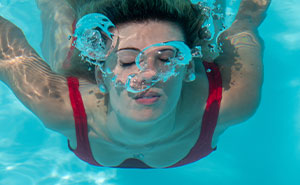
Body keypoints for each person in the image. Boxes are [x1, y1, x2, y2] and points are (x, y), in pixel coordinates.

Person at [0, 0, 270, 168]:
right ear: (100, 75)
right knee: (59, 21)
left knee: (206, 28)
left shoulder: (232, 99)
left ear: (188, 66)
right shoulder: (59, 104)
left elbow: (245, 24)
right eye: (127, 61)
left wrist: (249, 14)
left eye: (165, 58)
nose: (148, 74)